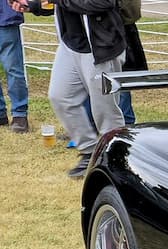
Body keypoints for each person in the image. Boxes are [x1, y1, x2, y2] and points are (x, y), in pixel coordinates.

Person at [11, 0, 125, 177]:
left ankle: (115, 158)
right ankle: (89, 150)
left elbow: (102, 3)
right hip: (70, 45)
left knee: (105, 109)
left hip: (100, 45)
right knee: (60, 96)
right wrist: (32, 5)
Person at [0, 0, 27, 132]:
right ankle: (1, 114)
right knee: (13, 69)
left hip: (6, 19)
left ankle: (19, 115)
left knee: (13, 69)